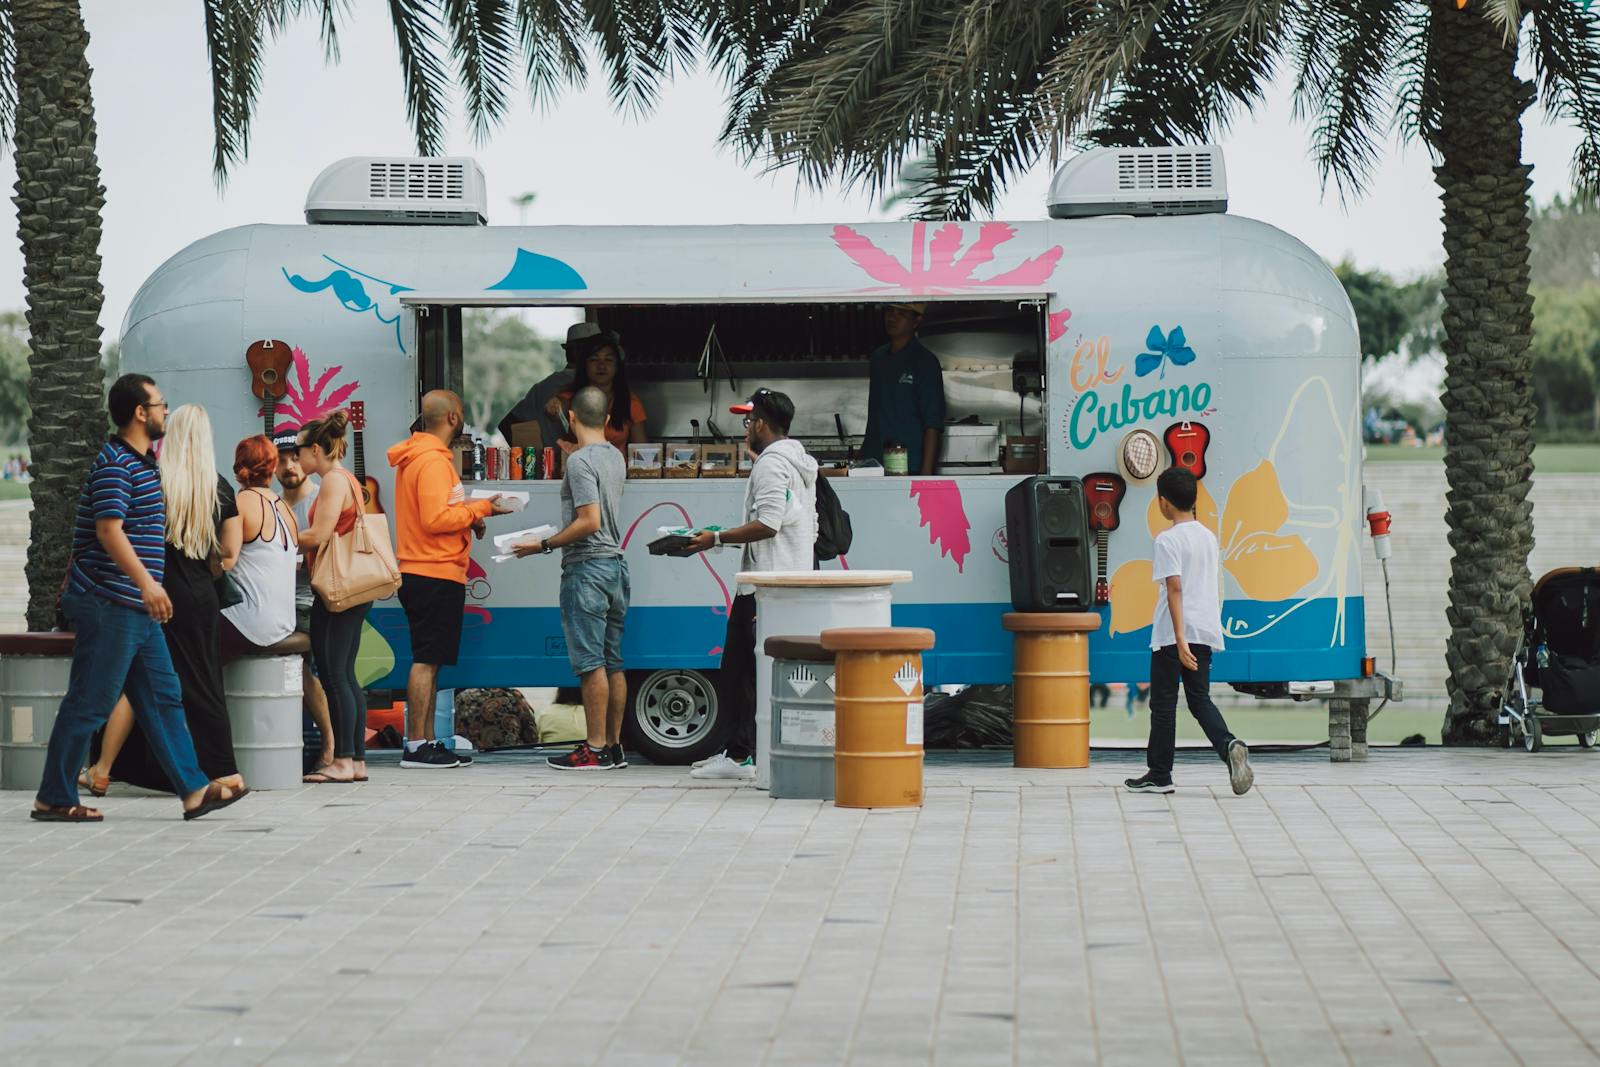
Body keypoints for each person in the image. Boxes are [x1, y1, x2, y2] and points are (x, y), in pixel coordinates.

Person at [32, 374, 247, 822]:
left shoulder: (146, 464)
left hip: (136, 606)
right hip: (111, 602)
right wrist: (148, 584)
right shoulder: (116, 464)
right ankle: (53, 795)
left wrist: (149, 590)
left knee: (163, 695)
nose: (165, 411)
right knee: (90, 701)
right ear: (139, 412)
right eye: (159, 404)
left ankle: (192, 790)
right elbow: (108, 530)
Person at [85, 404, 246, 796]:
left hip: (159, 592)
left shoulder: (152, 481)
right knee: (205, 683)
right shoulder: (218, 486)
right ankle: (224, 771)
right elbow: (228, 552)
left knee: (138, 679)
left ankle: (103, 768)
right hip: (202, 597)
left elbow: (122, 536)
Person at [684, 389, 817, 781]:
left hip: (765, 586)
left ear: (760, 423)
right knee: (741, 670)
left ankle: (744, 757)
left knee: (746, 675)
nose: (744, 430)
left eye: (747, 421)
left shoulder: (773, 465)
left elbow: (770, 522)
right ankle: (740, 751)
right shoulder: (798, 462)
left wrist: (716, 538)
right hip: (777, 581)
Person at [389, 389, 514, 769]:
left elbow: (441, 513)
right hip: (432, 572)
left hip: (431, 570)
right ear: (454, 419)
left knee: (432, 660)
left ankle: (425, 741)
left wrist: (469, 519)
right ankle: (416, 745)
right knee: (426, 661)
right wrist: (481, 508)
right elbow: (434, 520)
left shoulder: (425, 457)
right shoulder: (430, 461)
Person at [513, 386, 630, 770]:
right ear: (608, 420)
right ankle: (613, 747)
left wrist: (542, 544)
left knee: (591, 664)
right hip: (615, 566)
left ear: (571, 418)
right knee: (613, 662)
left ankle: (593, 749)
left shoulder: (580, 463)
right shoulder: (615, 456)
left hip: (587, 569)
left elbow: (589, 521)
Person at [1125, 467, 1254, 796]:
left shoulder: (1167, 540)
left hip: (1174, 633)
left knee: (1164, 705)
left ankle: (1160, 775)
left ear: (1164, 503)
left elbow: (1175, 589)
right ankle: (1228, 746)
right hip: (1205, 629)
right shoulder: (1208, 537)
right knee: (1199, 700)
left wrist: (1179, 638)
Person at [295, 410, 370, 784]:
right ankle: (354, 759)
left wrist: (278, 536)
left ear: (316, 449)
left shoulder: (331, 482)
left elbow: (319, 534)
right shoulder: (346, 480)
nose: (295, 458)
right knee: (347, 676)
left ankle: (341, 759)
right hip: (352, 587)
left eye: (299, 450)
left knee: (334, 675)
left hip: (337, 588)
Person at [272, 428, 333, 769]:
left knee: (300, 667)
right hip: (276, 601)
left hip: (313, 598)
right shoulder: (272, 504)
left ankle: (329, 745)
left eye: (294, 458)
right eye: (281, 461)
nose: (289, 466)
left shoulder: (322, 498)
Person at [219, 435, 298, 659]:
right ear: (272, 467)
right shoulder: (286, 509)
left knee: (187, 641)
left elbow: (226, 560)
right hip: (284, 621)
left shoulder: (240, 503)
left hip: (251, 623)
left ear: (239, 467)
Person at [861, 302, 945, 476]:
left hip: (910, 462)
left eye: (901, 314)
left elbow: (932, 423)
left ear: (916, 321)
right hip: (874, 460)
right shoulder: (878, 358)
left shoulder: (925, 361)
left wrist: (926, 473)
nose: (892, 318)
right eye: (890, 311)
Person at [549, 328, 647, 453]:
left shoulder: (631, 402)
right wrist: (554, 406)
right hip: (580, 469)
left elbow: (641, 452)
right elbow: (556, 410)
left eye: (608, 360)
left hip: (617, 470)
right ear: (585, 366)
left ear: (617, 367)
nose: (601, 365)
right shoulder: (571, 397)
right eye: (594, 359)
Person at [496, 322, 587, 450]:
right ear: (578, 351)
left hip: (550, 466)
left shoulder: (542, 387)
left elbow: (508, 424)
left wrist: (535, 460)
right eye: (596, 353)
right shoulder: (586, 385)